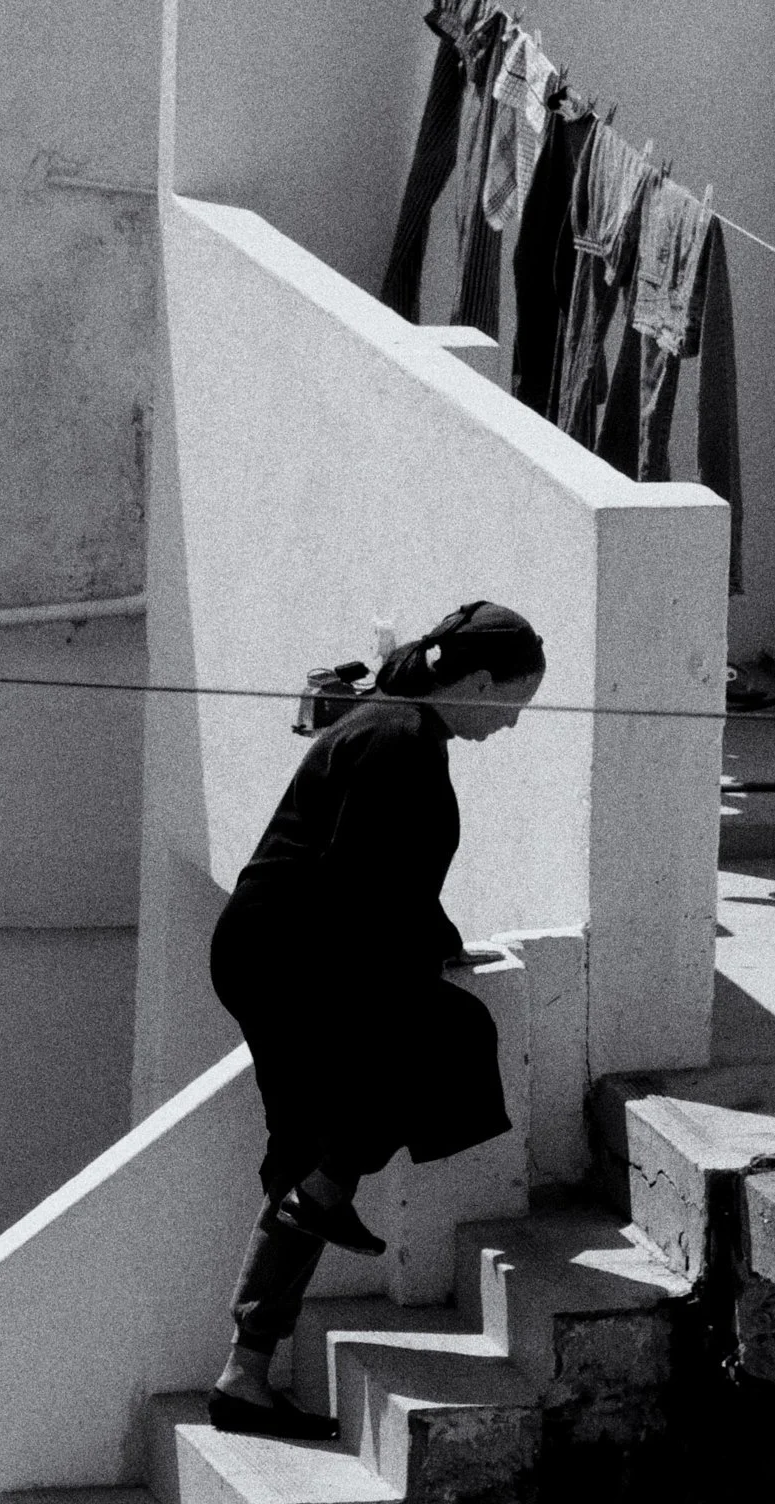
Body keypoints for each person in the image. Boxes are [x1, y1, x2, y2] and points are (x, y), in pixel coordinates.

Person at [205, 599, 546, 1441]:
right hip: (292, 955)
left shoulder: (403, 730)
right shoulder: (395, 739)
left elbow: (391, 881)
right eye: (509, 704)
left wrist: (434, 944)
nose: (507, 725)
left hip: (288, 949)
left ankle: (245, 1374)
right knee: (448, 1035)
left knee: (317, 1148)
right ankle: (320, 1198)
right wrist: (418, 960)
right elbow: (361, 882)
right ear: (472, 682)